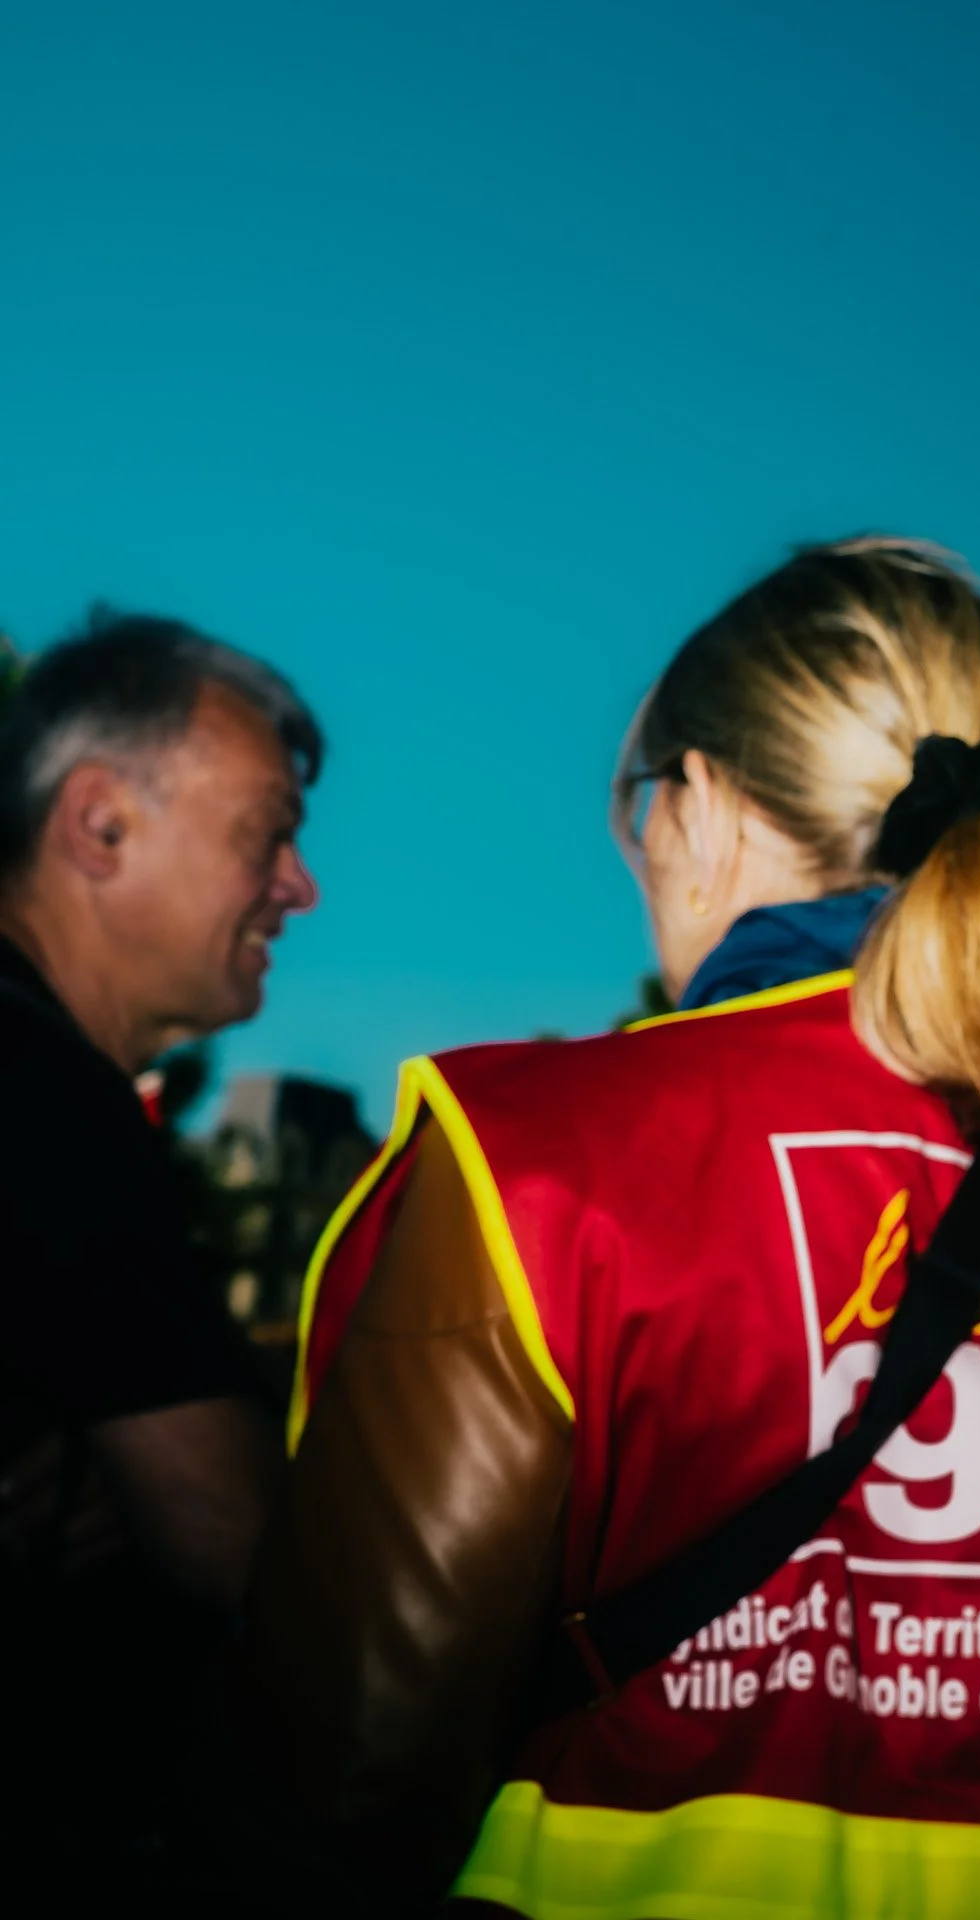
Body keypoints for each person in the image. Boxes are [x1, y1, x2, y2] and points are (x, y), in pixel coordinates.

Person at [241, 539, 980, 1919]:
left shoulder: (534, 1164)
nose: (647, 850)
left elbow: (342, 1779)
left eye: (647, 802)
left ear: (704, 805)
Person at [0, 609, 322, 1894]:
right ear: (100, 825)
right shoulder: (42, 1099)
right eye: (268, 834)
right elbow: (245, 1546)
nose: (299, 886)